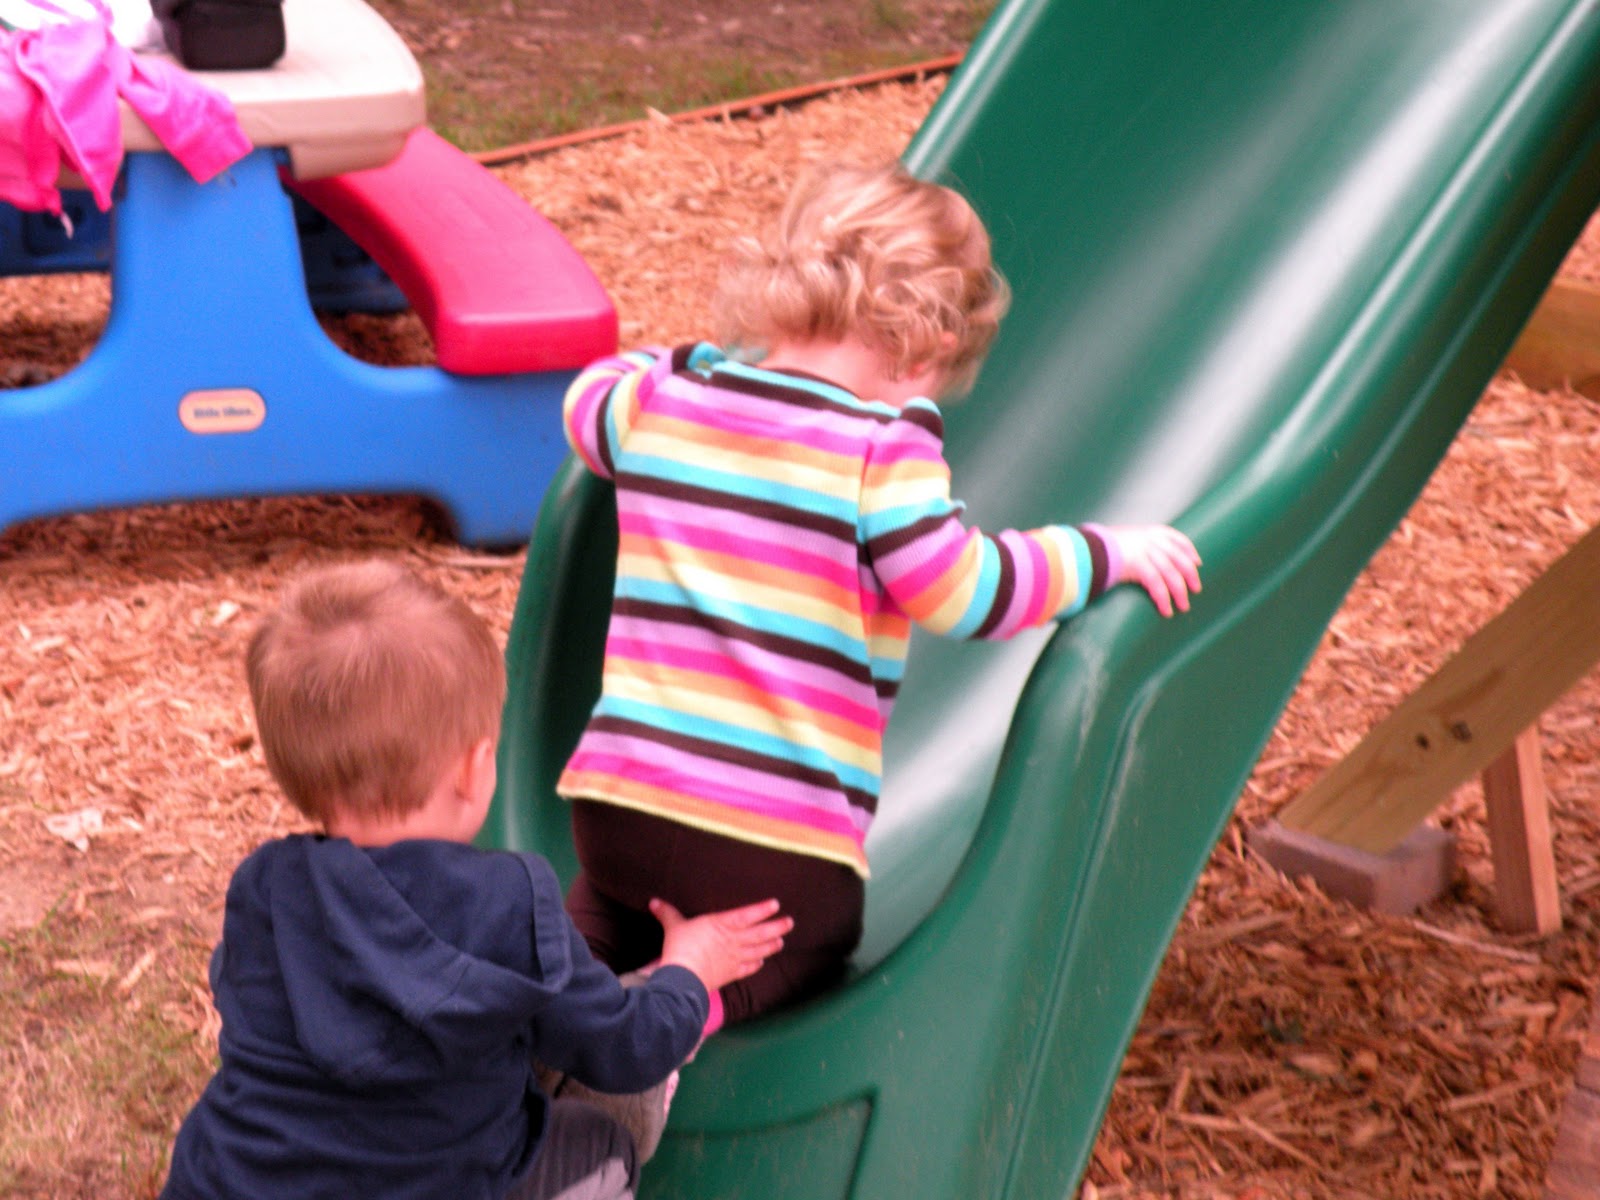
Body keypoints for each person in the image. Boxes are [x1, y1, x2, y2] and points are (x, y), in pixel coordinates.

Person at [555, 159, 1203, 1029]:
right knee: (817, 939)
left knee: (605, 909)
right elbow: (963, 592)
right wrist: (1100, 553)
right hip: (767, 848)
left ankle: (569, 991)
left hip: (619, 814)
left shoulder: (664, 398)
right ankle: (681, 1008)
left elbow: (585, 399)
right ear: (926, 350)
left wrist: (689, 362)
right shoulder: (879, 448)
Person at [159, 560, 791, 1200]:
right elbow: (629, 1049)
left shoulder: (264, 890)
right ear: (474, 768)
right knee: (602, 1144)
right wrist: (687, 972)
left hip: (223, 1185)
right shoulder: (508, 902)